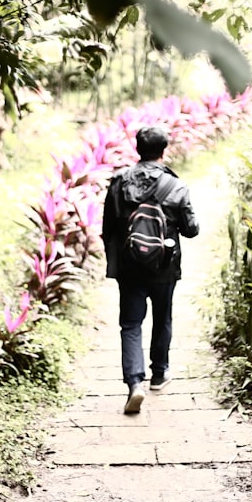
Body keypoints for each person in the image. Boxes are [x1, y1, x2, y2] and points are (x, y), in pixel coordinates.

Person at [102, 125, 200, 414]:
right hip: (164, 266)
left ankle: (134, 384)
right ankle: (159, 374)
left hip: (130, 266)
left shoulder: (119, 182)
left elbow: (108, 227)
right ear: (164, 150)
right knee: (162, 318)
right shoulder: (176, 186)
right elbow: (191, 230)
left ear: (137, 149)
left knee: (131, 324)